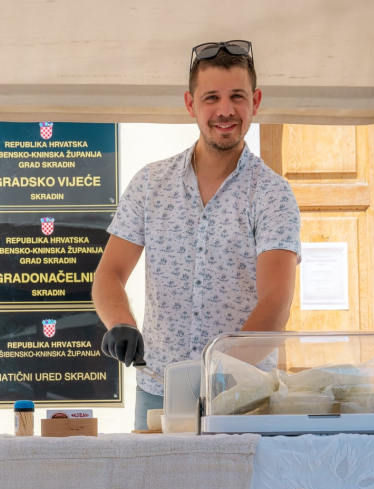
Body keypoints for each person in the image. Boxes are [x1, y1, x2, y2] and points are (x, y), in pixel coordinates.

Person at [92, 40, 301, 430]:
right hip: (158, 391)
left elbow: (276, 303)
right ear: (191, 104)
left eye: (237, 96)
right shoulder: (150, 183)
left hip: (244, 393)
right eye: (212, 98)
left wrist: (219, 376)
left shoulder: (273, 194)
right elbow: (109, 274)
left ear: (255, 101)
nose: (225, 110)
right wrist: (120, 322)